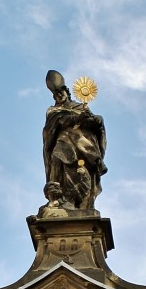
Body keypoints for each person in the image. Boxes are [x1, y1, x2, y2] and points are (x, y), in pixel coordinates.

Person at [42, 70, 107, 210]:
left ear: (67, 92)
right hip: (64, 142)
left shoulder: (80, 107)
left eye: (61, 92)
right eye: (56, 94)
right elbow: (54, 125)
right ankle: (58, 194)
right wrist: (76, 119)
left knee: (82, 169)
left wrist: (97, 121)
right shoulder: (54, 111)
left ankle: (80, 199)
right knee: (57, 157)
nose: (59, 95)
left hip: (84, 143)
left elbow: (93, 124)